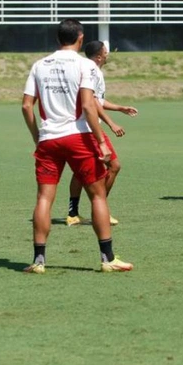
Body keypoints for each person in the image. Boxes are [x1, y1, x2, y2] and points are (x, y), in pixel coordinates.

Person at [21, 19, 132, 273]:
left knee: (44, 198)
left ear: (58, 38)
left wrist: (37, 137)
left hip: (49, 139)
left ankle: (39, 261)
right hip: (78, 136)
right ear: (80, 38)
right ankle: (108, 259)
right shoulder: (85, 65)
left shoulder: (39, 65)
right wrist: (102, 141)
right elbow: (89, 104)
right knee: (98, 195)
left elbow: (27, 106)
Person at [66, 40, 138, 226]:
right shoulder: (92, 70)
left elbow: (99, 100)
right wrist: (111, 123)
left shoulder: (88, 68)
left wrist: (120, 108)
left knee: (80, 171)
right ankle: (100, 210)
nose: (108, 54)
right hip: (89, 128)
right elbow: (93, 103)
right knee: (114, 166)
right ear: (99, 56)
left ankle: (73, 213)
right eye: (106, 51)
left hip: (81, 127)